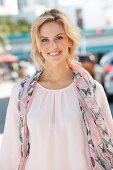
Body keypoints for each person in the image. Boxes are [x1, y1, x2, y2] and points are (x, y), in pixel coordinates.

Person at [0, 8, 113, 170]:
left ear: (69, 41)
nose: (52, 46)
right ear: (38, 46)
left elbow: (109, 146)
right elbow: (10, 152)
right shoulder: (21, 93)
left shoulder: (93, 90)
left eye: (59, 38)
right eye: (44, 40)